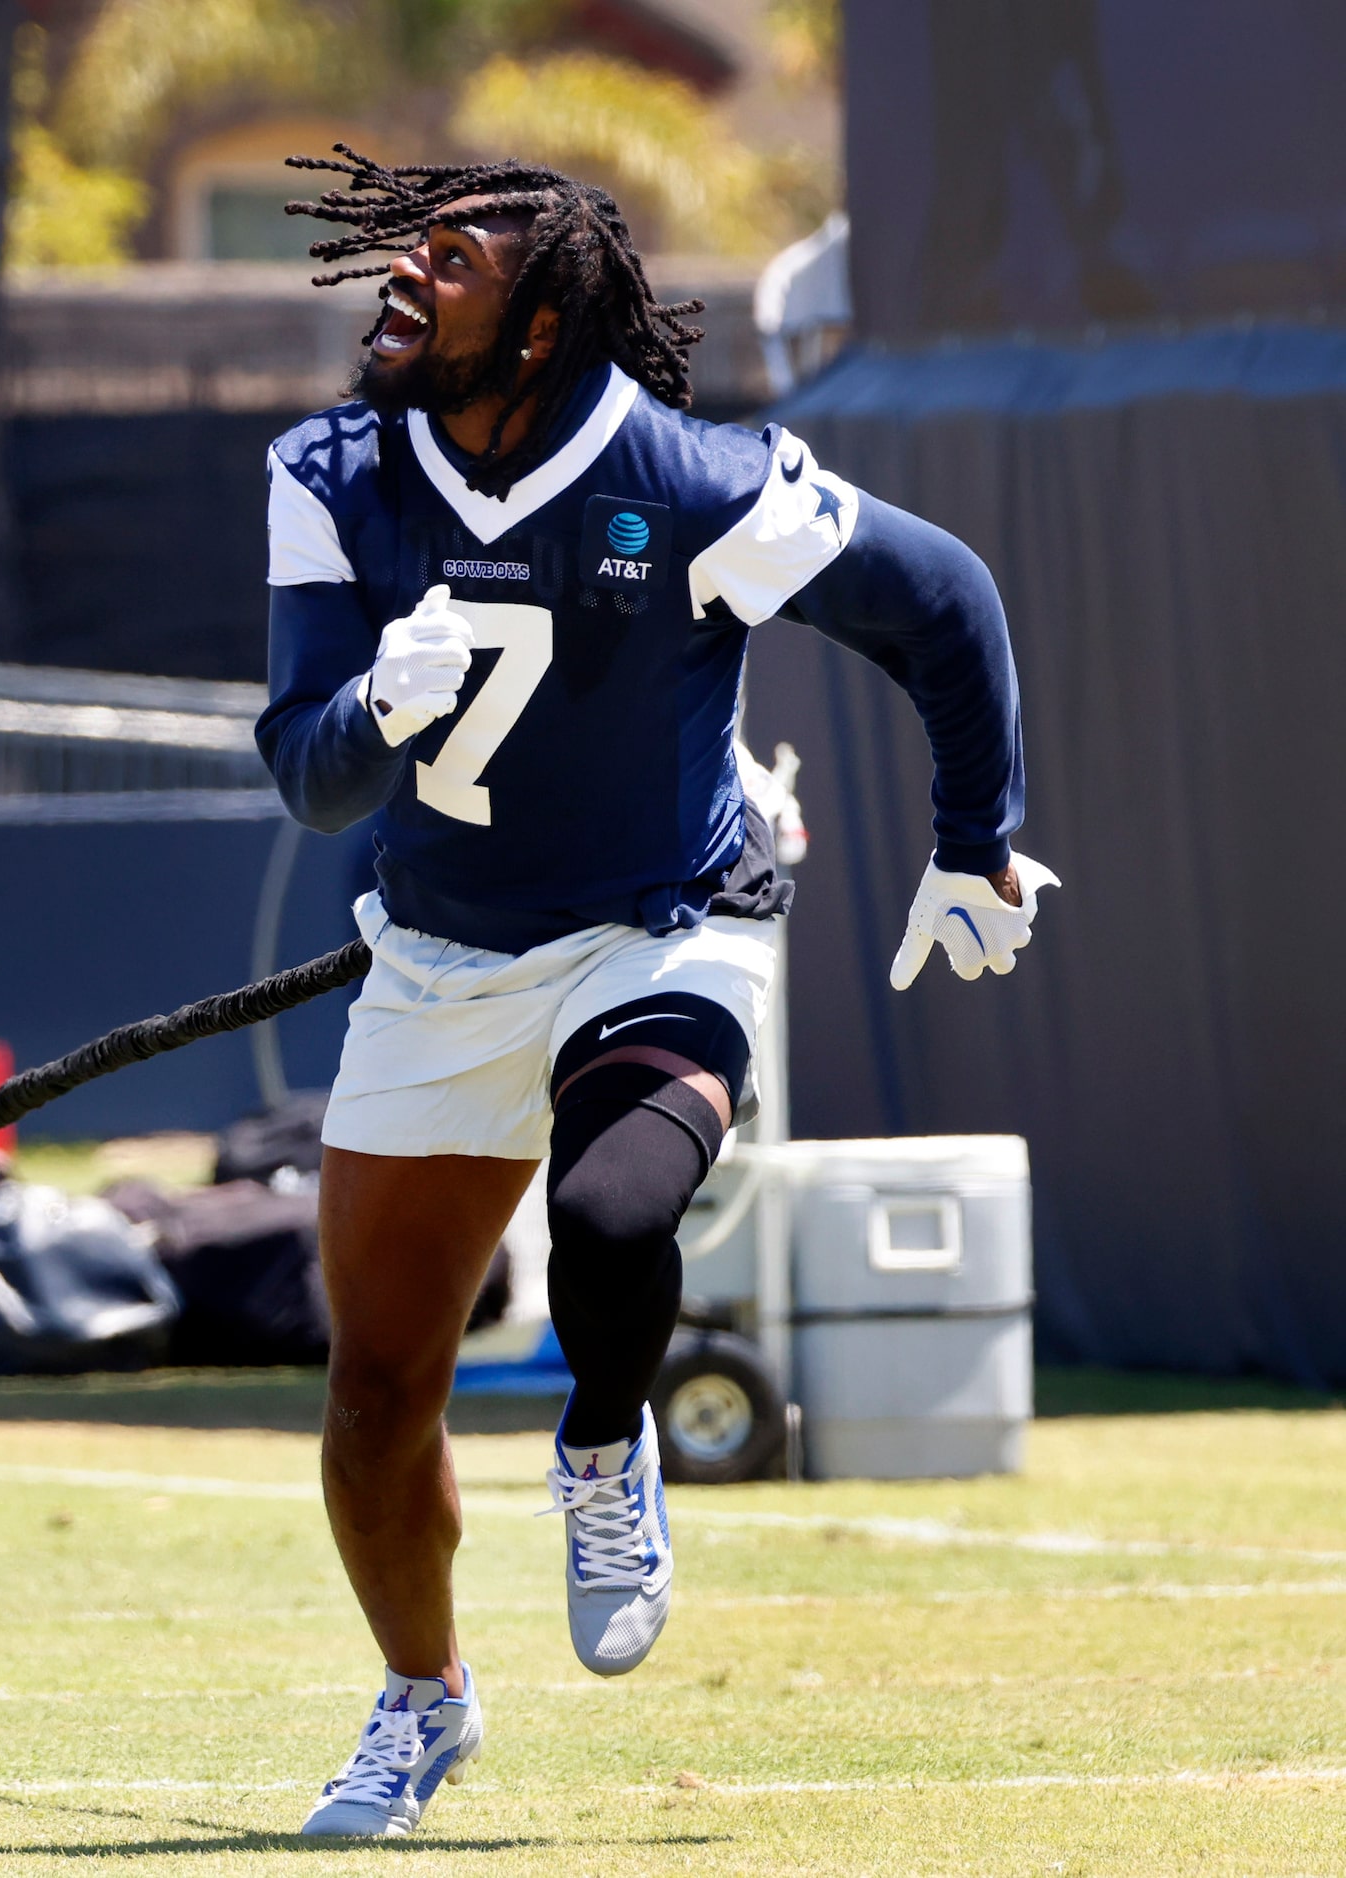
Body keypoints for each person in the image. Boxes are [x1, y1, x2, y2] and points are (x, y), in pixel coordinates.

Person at [254, 156, 1057, 1838]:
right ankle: (421, 1698)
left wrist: (970, 842)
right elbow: (309, 781)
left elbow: (941, 601)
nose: (405, 278)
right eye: (409, 253)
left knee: (613, 1210)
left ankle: (603, 1447)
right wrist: (367, 714)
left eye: (450, 261)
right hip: (437, 955)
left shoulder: (685, 477)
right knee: (372, 1395)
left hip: (659, 919)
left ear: (538, 323)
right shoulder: (328, 470)